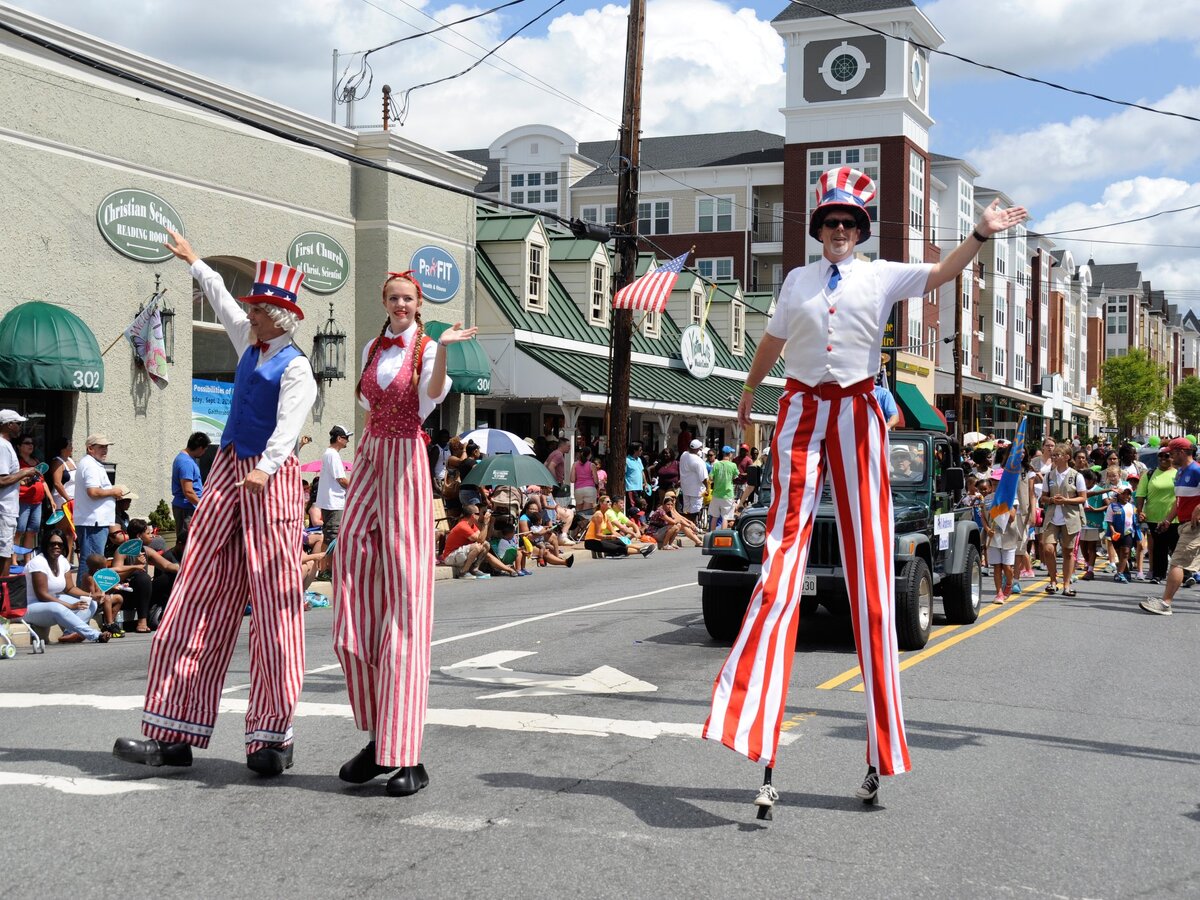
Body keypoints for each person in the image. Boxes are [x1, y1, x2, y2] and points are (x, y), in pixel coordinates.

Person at [706, 164, 1027, 809]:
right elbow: (770, 343)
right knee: (777, 564)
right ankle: (756, 731)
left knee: (875, 574)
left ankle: (880, 750)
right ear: (819, 228)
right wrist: (745, 396)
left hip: (856, 411)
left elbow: (939, 276)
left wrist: (980, 235)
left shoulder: (879, 274)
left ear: (861, 229)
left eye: (850, 222)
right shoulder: (795, 279)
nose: (840, 230)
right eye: (831, 221)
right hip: (800, 408)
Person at [114, 229, 317, 777]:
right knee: (197, 590)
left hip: (267, 477)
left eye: (260, 308)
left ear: (284, 317)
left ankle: (271, 739)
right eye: (252, 307)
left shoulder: (296, 366)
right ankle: (172, 732)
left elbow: (291, 423)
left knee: (276, 607)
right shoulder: (250, 345)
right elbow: (223, 305)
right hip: (229, 468)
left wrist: (268, 470)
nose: (249, 313)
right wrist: (195, 261)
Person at [331, 269, 476, 797]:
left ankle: (405, 752)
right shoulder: (373, 345)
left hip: (407, 463)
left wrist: (439, 350)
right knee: (352, 583)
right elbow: (368, 405)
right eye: (392, 296)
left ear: (419, 304)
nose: (399, 304)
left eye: (408, 298)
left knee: (407, 601)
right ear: (384, 300)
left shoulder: (426, 348)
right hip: (370, 456)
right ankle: (380, 739)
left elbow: (432, 395)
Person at [1141, 438, 1200, 616]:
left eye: (1171, 453)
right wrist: (1168, 520)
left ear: (1181, 452)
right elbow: (1179, 501)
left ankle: (1165, 603)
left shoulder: (1196, 470)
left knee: (1176, 562)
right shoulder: (1181, 472)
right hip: (1183, 524)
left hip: (1194, 526)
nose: (1169, 456)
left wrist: (1198, 508)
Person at [22, 529, 110, 644]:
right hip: (30, 607)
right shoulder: (38, 562)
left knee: (90, 602)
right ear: (45, 545)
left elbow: (70, 588)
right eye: (52, 544)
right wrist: (70, 605)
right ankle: (95, 635)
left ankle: (69, 633)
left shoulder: (62, 561)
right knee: (57, 608)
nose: (56, 546)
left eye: (60, 544)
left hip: (52, 601)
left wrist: (92, 595)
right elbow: (42, 595)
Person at [73, 435, 128, 584]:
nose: (105, 450)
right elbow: (93, 492)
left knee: (92, 561)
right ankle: (85, 596)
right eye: (101, 447)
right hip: (93, 522)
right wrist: (113, 492)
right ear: (90, 448)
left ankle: (88, 595)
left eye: (106, 447)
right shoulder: (90, 465)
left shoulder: (92, 463)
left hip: (95, 521)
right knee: (91, 561)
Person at [1039, 446, 1086, 596]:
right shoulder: (1048, 476)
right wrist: (1052, 499)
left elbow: (1083, 497)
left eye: (1057, 454)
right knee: (1048, 549)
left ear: (1066, 457)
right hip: (1052, 517)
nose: (1054, 457)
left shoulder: (1076, 476)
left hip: (1070, 518)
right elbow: (1043, 497)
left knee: (1068, 551)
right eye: (1053, 455)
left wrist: (1066, 500)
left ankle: (1066, 584)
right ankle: (1053, 581)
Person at [0, 410, 38, 578]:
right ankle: (3, 596)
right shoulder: (2, 445)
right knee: (4, 554)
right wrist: (25, 472)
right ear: (9, 425)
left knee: (6, 552)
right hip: (4, 510)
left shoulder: (5, 445)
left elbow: (9, 478)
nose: (20, 427)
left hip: (8, 508)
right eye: (18, 423)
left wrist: (22, 480)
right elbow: (1, 480)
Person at [1136, 447, 1178, 584]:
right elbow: (1141, 494)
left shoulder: (1179, 473)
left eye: (1167, 456)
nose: (1163, 459)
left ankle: (1185, 574)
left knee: (1177, 548)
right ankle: (1158, 575)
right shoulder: (1149, 474)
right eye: (1160, 456)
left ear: (1173, 457)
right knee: (1160, 547)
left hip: (1175, 518)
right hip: (1154, 517)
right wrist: (1140, 511)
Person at [317, 425, 352, 554]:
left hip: (330, 503)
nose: (347, 440)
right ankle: (329, 571)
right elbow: (341, 479)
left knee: (328, 538)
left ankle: (323, 569)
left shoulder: (329, 453)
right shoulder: (333, 454)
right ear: (339, 438)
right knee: (334, 538)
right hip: (334, 504)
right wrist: (356, 488)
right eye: (346, 437)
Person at [171, 431, 210, 542]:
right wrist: (203, 506)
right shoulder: (186, 463)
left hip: (188, 507)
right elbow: (188, 491)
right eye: (205, 450)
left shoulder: (185, 459)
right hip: (186, 509)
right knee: (187, 542)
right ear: (200, 448)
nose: (204, 453)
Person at [583, 496, 653, 558]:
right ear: (601, 504)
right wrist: (611, 537)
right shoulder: (599, 515)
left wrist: (621, 538)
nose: (610, 503)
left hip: (601, 539)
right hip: (591, 542)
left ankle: (643, 549)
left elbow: (613, 531)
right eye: (607, 501)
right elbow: (597, 535)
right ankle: (642, 551)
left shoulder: (605, 515)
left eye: (610, 501)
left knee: (620, 542)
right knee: (617, 547)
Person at [46, 436, 77, 562]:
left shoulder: (71, 460)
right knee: (62, 531)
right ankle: (57, 559)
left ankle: (68, 559)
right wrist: (68, 499)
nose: (72, 448)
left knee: (70, 532)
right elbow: (57, 483)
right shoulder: (57, 462)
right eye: (70, 445)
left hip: (73, 500)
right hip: (62, 501)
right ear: (63, 448)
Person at [440, 504, 492, 579]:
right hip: (450, 557)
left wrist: (486, 524)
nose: (480, 515)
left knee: (486, 544)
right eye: (478, 513)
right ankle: (463, 572)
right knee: (477, 547)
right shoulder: (462, 526)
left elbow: (482, 539)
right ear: (473, 515)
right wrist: (486, 523)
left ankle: (474, 569)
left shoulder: (472, 525)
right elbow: (480, 539)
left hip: (459, 554)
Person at [678, 439, 709, 526]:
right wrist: (707, 488)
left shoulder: (683, 455)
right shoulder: (699, 461)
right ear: (698, 449)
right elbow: (704, 478)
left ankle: (686, 526)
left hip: (685, 489)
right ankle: (692, 526)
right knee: (695, 510)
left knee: (686, 509)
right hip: (696, 491)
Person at [707, 446, 739, 530]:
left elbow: (710, 478)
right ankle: (722, 536)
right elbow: (736, 476)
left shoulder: (716, 464)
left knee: (714, 517)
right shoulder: (733, 465)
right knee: (726, 517)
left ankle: (712, 535)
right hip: (728, 495)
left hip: (716, 494)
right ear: (730, 454)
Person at [624, 442, 647, 515]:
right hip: (631, 487)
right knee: (633, 506)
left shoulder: (639, 460)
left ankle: (638, 522)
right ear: (634, 450)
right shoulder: (627, 460)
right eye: (640, 450)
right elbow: (624, 473)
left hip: (639, 487)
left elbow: (642, 471)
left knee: (639, 505)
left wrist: (645, 483)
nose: (641, 452)